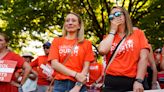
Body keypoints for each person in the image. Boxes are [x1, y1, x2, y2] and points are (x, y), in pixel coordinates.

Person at [98, 6, 150, 92]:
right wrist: (113, 30)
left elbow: (144, 58)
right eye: (112, 16)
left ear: (125, 16)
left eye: (118, 14)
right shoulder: (108, 37)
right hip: (111, 82)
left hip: (133, 81)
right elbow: (102, 50)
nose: (115, 17)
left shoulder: (138, 34)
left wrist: (139, 80)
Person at [48, 12, 94, 92]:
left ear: (79, 25)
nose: (70, 23)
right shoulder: (56, 41)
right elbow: (54, 64)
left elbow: (86, 67)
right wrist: (75, 74)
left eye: (73, 20)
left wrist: (77, 87)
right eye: (67, 20)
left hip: (79, 85)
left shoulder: (86, 43)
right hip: (60, 84)